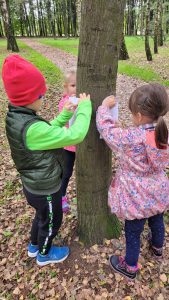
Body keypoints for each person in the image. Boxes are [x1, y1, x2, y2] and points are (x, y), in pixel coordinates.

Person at [2, 54, 92, 266]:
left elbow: (45, 131)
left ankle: (34, 245)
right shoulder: (32, 127)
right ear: (30, 98)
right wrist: (84, 108)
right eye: (41, 95)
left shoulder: (16, 117)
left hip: (32, 185)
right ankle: (44, 253)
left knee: (41, 217)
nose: (43, 98)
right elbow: (75, 135)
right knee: (52, 221)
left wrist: (63, 117)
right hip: (46, 189)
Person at [96, 84, 169, 280]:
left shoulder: (131, 137)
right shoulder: (162, 132)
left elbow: (107, 131)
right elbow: (144, 140)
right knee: (157, 220)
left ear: (137, 115)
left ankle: (129, 267)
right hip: (157, 190)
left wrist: (103, 108)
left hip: (137, 196)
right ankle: (157, 248)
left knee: (133, 231)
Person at [58, 69, 77, 212]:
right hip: (69, 147)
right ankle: (61, 195)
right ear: (66, 87)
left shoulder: (82, 100)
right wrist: (70, 109)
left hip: (83, 145)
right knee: (67, 171)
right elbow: (63, 121)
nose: (76, 89)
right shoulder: (64, 103)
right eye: (73, 85)